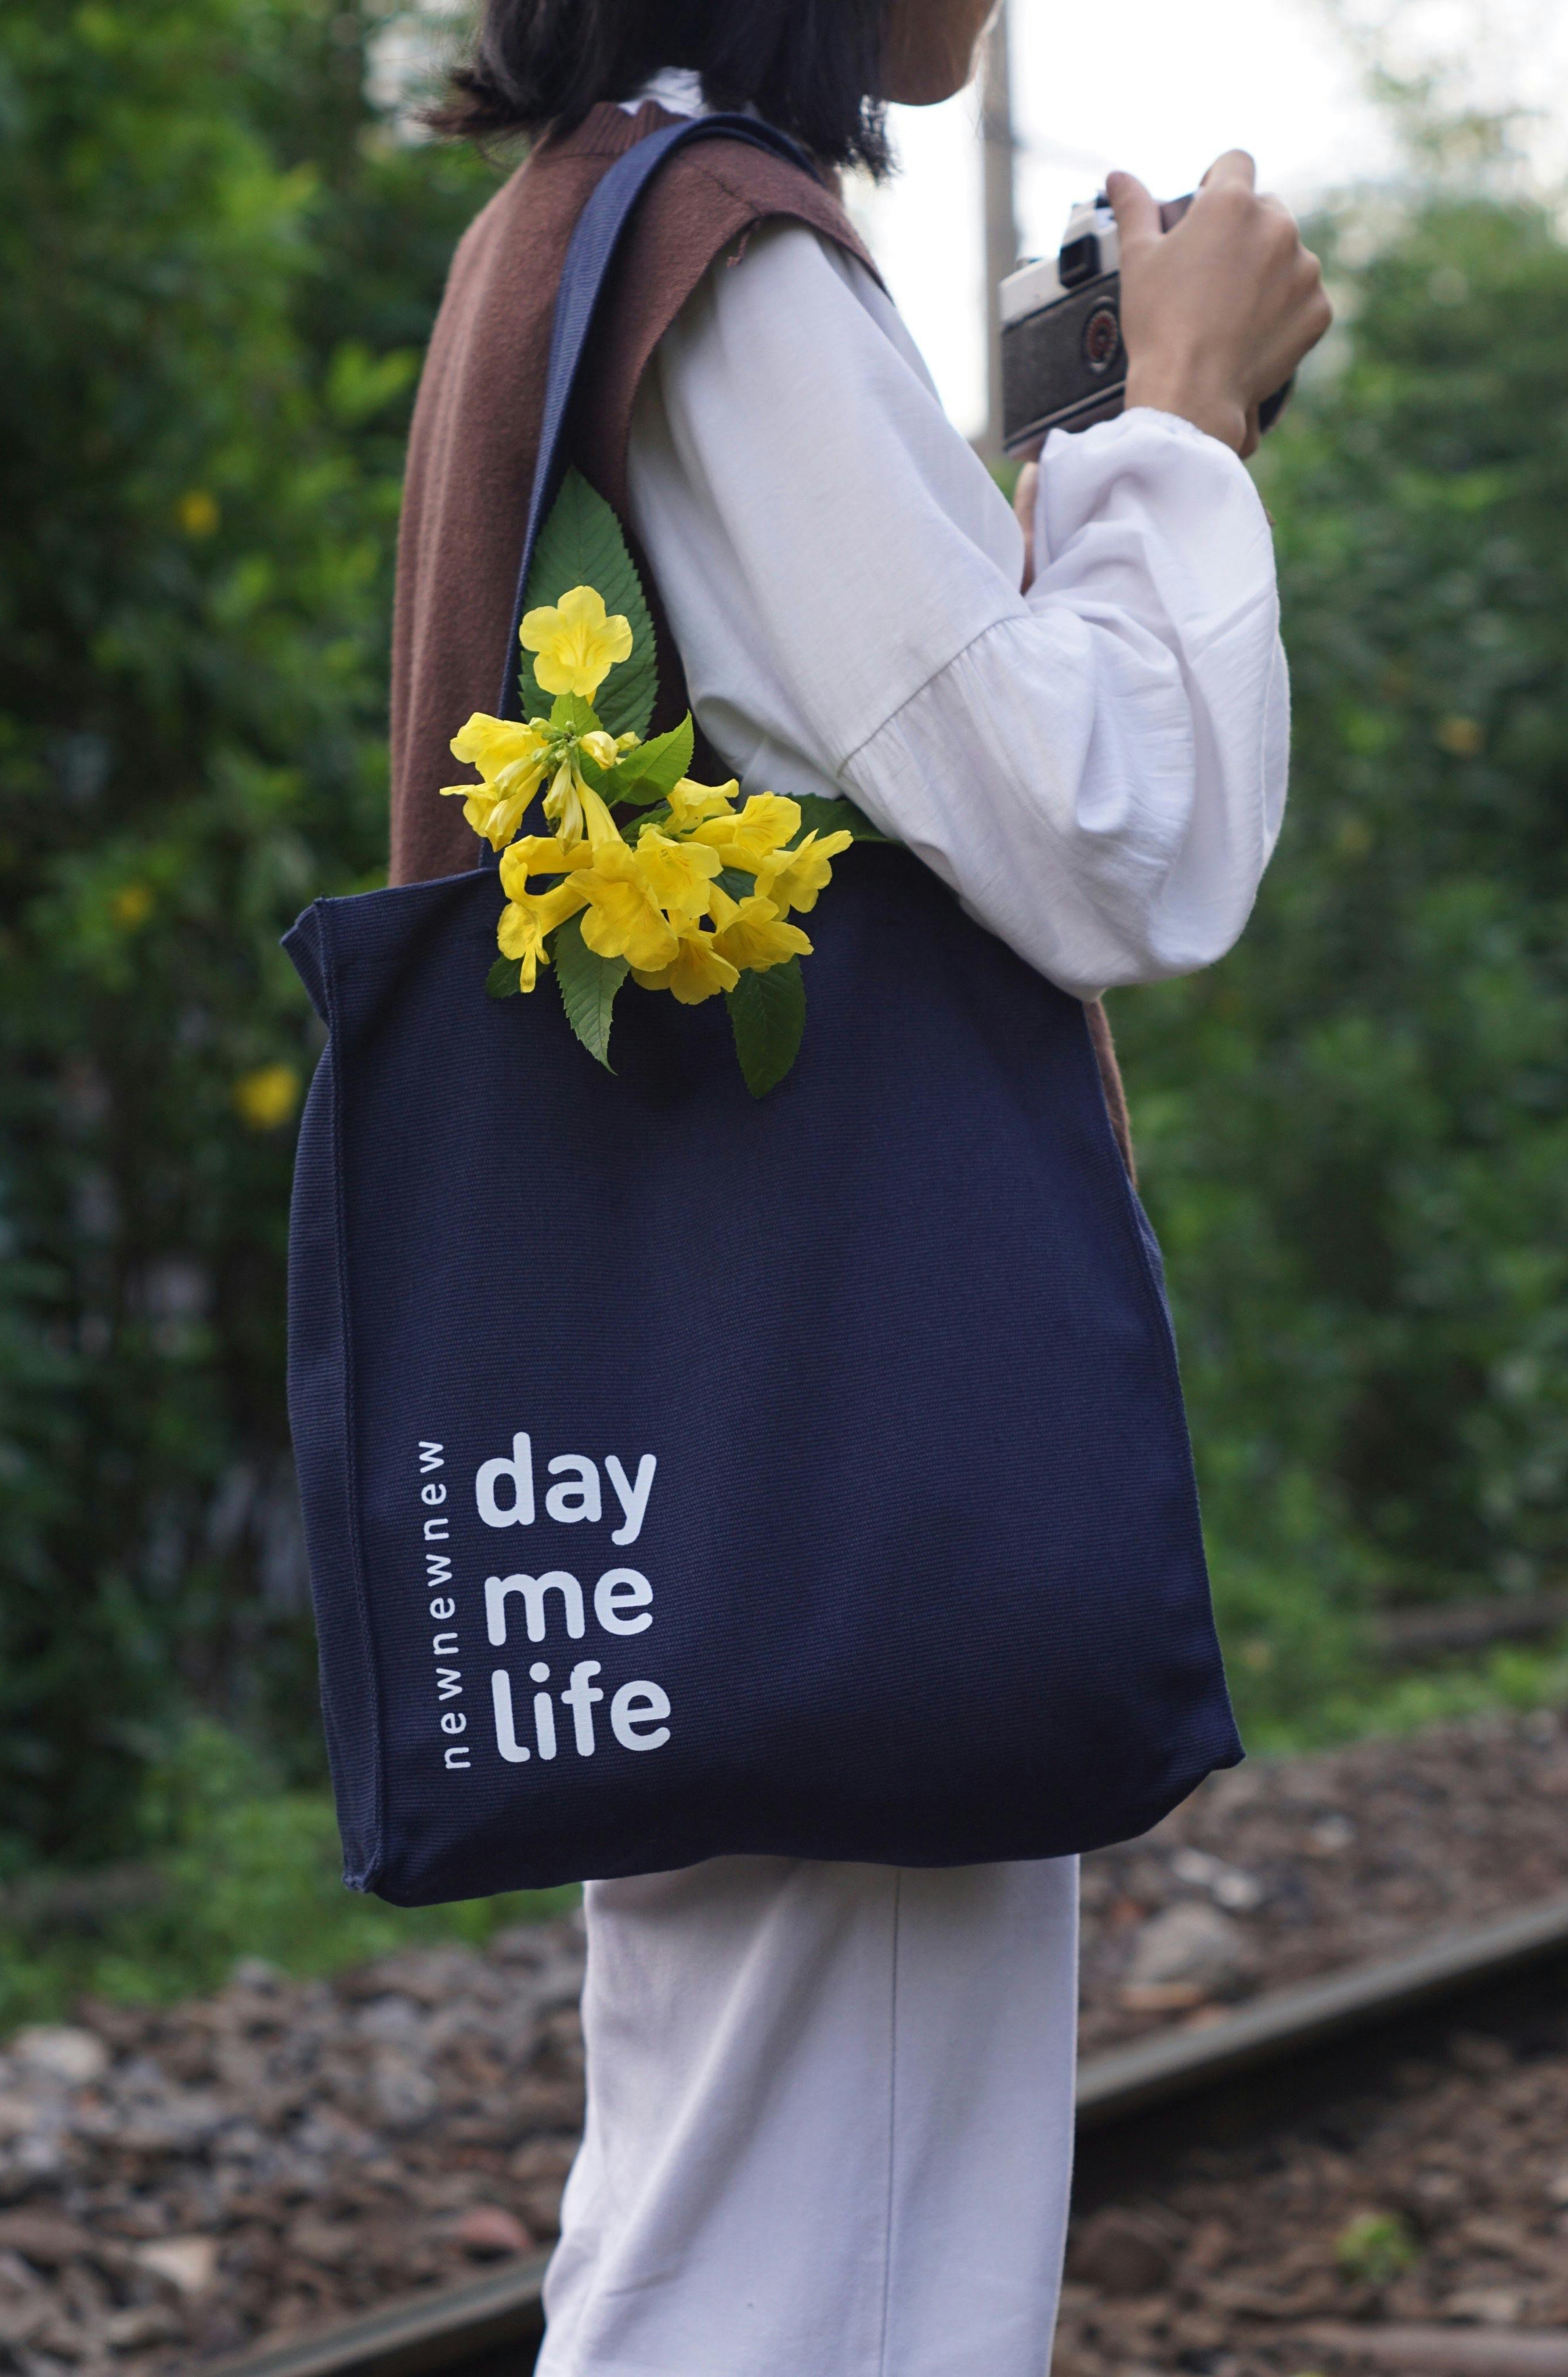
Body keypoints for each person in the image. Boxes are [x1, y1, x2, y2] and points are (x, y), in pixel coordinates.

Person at [391, 3, 1331, 2369]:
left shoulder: (590, 222)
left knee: (738, 2194)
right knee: (836, 2248)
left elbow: (905, 748)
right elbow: (1102, 837)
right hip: (840, 1402)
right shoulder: (734, 267)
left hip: (730, 1375)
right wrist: (1178, 425)